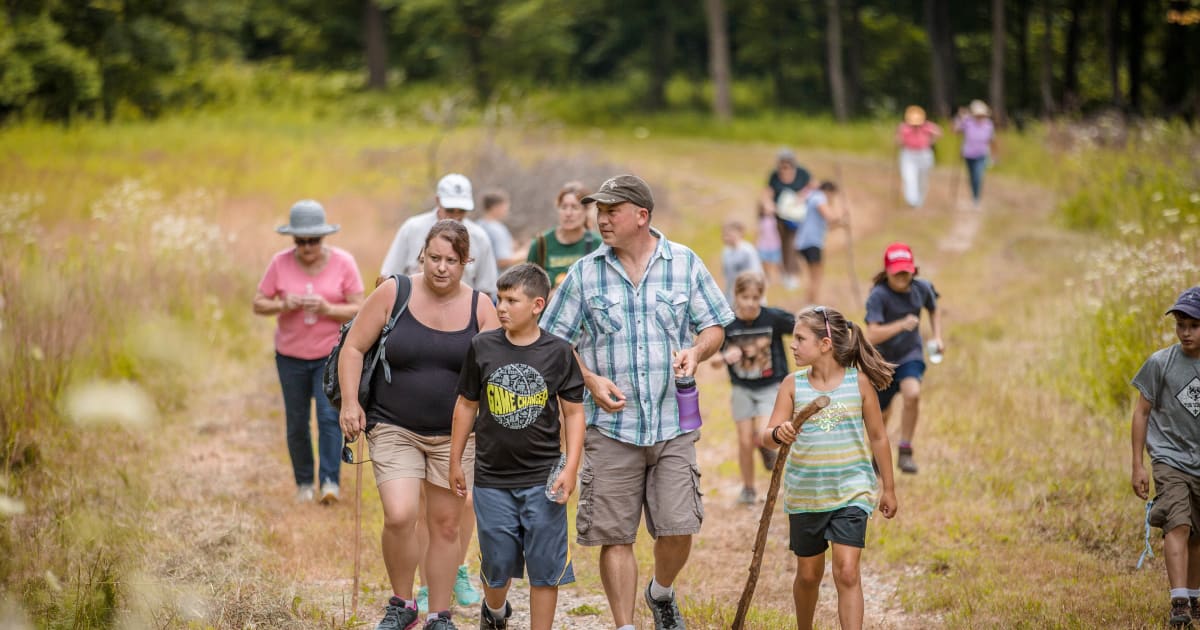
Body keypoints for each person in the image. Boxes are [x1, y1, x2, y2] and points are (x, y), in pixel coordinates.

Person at [540, 174, 734, 630]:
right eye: (599, 211)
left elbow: (715, 327)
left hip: (673, 421)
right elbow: (551, 341)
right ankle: (625, 624)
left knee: (679, 526)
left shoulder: (684, 263)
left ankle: (661, 592)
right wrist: (588, 379)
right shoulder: (585, 273)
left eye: (611, 211)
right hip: (611, 428)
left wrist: (696, 351)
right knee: (615, 534)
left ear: (641, 216)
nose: (601, 219)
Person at [338, 220, 500, 630]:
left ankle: (439, 615)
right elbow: (354, 347)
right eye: (433, 258)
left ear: (466, 262)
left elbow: (498, 371)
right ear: (421, 255)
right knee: (399, 514)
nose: (441, 268)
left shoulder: (482, 307)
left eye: (451, 260)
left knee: (446, 524)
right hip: (394, 425)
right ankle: (402, 602)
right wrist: (351, 404)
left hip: (456, 436)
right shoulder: (394, 292)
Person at [449, 263, 587, 630]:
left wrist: (571, 466)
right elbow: (466, 405)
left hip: (543, 479)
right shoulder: (482, 347)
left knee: (545, 568)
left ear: (538, 304)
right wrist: (455, 460)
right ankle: (494, 612)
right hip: (492, 478)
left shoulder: (559, 352)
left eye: (512, 300)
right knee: (497, 566)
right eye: (499, 298)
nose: (501, 307)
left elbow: (573, 414)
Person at [759, 305, 898, 630]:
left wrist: (888, 487)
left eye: (799, 338)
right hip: (806, 495)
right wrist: (779, 433)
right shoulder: (793, 385)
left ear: (825, 344)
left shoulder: (858, 383)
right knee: (808, 576)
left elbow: (878, 436)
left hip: (852, 490)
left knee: (847, 571)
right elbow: (766, 436)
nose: (792, 345)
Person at [253, 200, 364, 504]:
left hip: (330, 356)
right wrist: (283, 304)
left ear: (323, 238)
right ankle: (304, 482)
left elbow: (360, 309)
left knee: (329, 418)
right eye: (300, 241)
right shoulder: (279, 263)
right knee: (297, 421)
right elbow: (258, 303)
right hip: (290, 356)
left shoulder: (344, 263)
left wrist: (328, 309)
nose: (306, 247)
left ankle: (329, 482)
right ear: (293, 240)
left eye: (312, 240)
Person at [1130, 286, 1200, 628]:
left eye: (1193, 325)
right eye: (1180, 325)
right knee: (1178, 522)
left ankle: (1194, 595)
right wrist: (1138, 464)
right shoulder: (1161, 363)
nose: (1185, 332)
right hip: (1170, 459)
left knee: (1197, 532)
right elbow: (1142, 412)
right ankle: (1179, 601)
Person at [708, 271, 794, 505]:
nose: (750, 303)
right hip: (742, 388)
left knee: (764, 431)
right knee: (744, 440)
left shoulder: (773, 318)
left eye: (756, 298)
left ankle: (766, 450)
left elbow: (801, 329)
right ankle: (748, 489)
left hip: (771, 386)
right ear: (736, 296)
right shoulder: (728, 324)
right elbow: (713, 360)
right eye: (745, 297)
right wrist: (726, 356)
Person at [864, 242, 942, 475]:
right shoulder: (878, 296)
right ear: (887, 271)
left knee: (913, 393)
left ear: (913, 270)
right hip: (882, 362)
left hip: (910, 354)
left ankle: (905, 449)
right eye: (897, 271)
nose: (902, 276)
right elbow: (872, 334)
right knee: (881, 414)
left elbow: (933, 307)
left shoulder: (922, 288)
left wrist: (938, 337)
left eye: (906, 271)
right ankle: (878, 455)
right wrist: (901, 325)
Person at [380, 173, 499, 297]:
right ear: (438, 201)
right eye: (450, 209)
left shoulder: (479, 237)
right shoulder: (412, 228)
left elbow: (486, 289)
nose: (456, 215)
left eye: (462, 210)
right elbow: (389, 276)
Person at [527, 181, 602, 290]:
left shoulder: (597, 244)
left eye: (575, 207)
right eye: (564, 207)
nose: (568, 213)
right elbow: (527, 290)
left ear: (586, 211)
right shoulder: (540, 243)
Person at [760, 148, 812, 290]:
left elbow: (812, 187)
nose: (784, 170)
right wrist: (768, 204)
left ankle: (791, 273)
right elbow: (767, 192)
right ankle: (783, 272)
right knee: (779, 244)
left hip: (796, 217)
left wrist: (802, 196)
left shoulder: (802, 174)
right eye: (782, 166)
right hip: (779, 215)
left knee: (791, 244)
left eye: (787, 166)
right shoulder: (774, 176)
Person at [793, 181, 844, 307]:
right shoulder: (818, 197)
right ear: (829, 192)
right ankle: (811, 304)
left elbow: (829, 225)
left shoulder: (813, 198)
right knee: (815, 275)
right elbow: (830, 216)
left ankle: (811, 302)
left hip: (808, 242)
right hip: (811, 242)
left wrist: (841, 222)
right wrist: (840, 212)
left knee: (814, 275)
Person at [895, 105, 942, 209]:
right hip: (908, 154)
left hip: (924, 154)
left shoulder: (927, 126)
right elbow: (898, 141)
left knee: (922, 179)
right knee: (909, 177)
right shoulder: (904, 127)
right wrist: (899, 138)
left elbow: (939, 132)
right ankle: (912, 199)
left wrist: (931, 140)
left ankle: (920, 200)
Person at [953, 100, 997, 210]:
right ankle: (974, 197)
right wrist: (960, 118)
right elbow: (956, 130)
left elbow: (992, 140)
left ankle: (976, 199)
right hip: (968, 154)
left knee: (978, 176)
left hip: (982, 154)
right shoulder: (967, 122)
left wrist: (994, 155)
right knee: (972, 177)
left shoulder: (988, 124)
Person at [478, 189, 525, 270]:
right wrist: (524, 253)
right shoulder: (496, 229)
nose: (506, 210)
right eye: (505, 206)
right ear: (496, 207)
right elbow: (502, 261)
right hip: (495, 280)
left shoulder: (477, 225)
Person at [719, 219, 763, 302]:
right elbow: (727, 276)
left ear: (739, 233)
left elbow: (756, 274)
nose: (726, 237)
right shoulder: (725, 252)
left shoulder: (748, 251)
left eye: (729, 234)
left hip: (748, 294)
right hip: (732, 295)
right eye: (724, 234)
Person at [755, 202, 782, 286]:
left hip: (774, 244)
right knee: (765, 263)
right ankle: (767, 278)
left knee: (776, 262)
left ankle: (777, 278)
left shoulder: (776, 219)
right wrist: (756, 244)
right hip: (764, 245)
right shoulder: (761, 221)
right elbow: (758, 233)